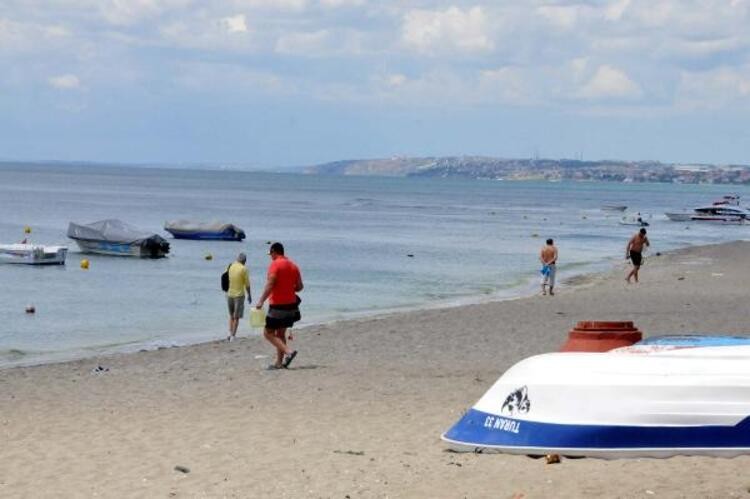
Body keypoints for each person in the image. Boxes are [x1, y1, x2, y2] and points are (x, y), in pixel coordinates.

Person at [255, 242, 303, 369]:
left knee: (268, 333)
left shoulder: (275, 265)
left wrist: (261, 301)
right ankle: (279, 363)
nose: (270, 256)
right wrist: (288, 287)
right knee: (281, 334)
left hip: (278, 306)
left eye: (271, 254)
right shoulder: (294, 266)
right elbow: (299, 287)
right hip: (291, 306)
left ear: (274, 252)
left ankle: (289, 352)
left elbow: (270, 284)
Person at [226, 252, 251, 342]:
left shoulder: (231, 266)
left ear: (237, 259)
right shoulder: (244, 269)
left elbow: (226, 278)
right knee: (236, 317)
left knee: (231, 316)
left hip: (229, 294)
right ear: (244, 261)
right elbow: (247, 285)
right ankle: (233, 336)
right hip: (239, 295)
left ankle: (229, 333)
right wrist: (249, 296)